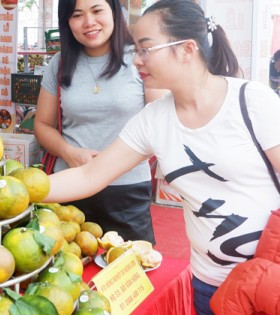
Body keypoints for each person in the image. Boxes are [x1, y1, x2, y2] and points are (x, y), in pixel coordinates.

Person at [43, 1, 280, 314]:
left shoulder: (252, 101)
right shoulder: (153, 119)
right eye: (136, 49)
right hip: (207, 282)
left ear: (186, 49)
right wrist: (20, 190)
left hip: (269, 282)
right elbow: (90, 175)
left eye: (145, 49)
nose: (137, 60)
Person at [34, 0, 163, 243]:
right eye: (77, 15)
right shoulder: (59, 64)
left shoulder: (140, 59)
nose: (89, 22)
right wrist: (68, 152)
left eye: (97, 10)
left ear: (114, 12)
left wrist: (111, 163)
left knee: (131, 270)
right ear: (67, 22)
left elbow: (159, 125)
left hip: (127, 190)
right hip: (68, 187)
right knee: (68, 269)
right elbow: (42, 125)